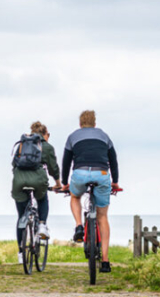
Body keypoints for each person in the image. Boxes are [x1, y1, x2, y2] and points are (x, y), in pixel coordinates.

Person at [61, 110, 120, 273]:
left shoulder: (73, 136)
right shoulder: (104, 136)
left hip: (79, 174)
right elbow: (113, 161)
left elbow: (66, 162)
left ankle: (79, 226)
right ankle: (106, 261)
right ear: (95, 124)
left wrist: (65, 183)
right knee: (102, 216)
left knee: (75, 197)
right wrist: (114, 182)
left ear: (80, 124)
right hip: (101, 174)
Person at [11, 121, 62, 264]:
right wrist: (58, 184)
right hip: (38, 181)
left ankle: (21, 253)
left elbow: (14, 164)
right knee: (42, 199)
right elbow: (53, 169)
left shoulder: (21, 145)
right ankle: (41, 225)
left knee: (21, 217)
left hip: (19, 181)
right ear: (46, 134)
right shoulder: (47, 146)